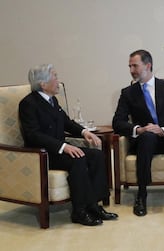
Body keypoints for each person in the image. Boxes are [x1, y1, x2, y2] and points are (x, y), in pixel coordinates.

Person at [19, 64, 118, 226]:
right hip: (42, 154)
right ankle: (79, 211)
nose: (58, 81)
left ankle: (94, 205)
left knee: (97, 155)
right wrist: (64, 147)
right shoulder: (29, 104)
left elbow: (67, 122)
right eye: (55, 76)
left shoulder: (53, 100)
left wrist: (85, 132)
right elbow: (33, 135)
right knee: (78, 158)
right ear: (43, 84)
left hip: (58, 149)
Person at [112, 49, 164, 218]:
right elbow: (117, 122)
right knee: (147, 136)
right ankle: (141, 195)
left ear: (148, 65)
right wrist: (138, 129)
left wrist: (163, 129)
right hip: (145, 141)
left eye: (135, 66)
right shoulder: (127, 93)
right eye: (130, 66)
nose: (131, 70)